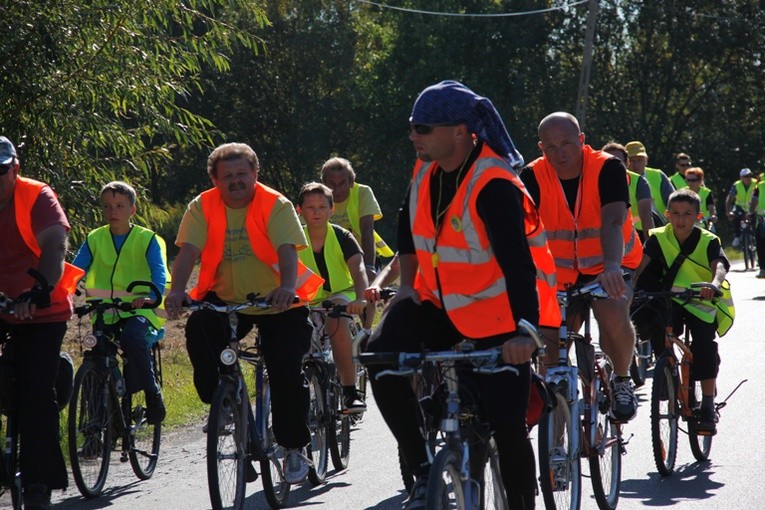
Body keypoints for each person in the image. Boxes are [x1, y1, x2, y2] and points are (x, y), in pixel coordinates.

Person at [368, 80, 554, 510]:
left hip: (501, 318)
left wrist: (525, 334)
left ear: (459, 131)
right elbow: (407, 229)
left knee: (508, 430)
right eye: (413, 127)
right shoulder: (426, 171)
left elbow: (518, 264)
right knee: (380, 356)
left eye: (423, 128)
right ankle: (420, 470)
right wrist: (409, 287)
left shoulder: (494, 184)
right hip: (440, 308)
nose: (414, 135)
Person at [164, 142, 323, 485]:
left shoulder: (275, 203)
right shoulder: (202, 206)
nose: (236, 181)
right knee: (200, 329)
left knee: (284, 371)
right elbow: (189, 251)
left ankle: (294, 447)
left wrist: (287, 286)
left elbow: (286, 250)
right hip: (227, 298)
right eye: (227, 176)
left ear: (255, 174)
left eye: (242, 174)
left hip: (278, 302)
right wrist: (177, 291)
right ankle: (224, 402)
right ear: (215, 180)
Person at [521, 113, 643, 424]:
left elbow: (613, 219)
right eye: (550, 147)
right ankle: (557, 451)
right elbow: (520, 232)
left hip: (610, 263)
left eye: (566, 144)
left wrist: (612, 265)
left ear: (582, 141)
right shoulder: (532, 176)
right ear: (541, 148)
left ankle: (622, 378)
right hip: (558, 274)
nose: (559, 153)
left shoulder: (607, 167)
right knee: (552, 352)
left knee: (614, 311)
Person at [0, 135, 84, 509]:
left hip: (40, 306)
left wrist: (39, 290)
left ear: (15, 168)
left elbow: (54, 245)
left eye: (0, 170)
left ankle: (38, 482)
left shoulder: (36, 196)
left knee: (35, 394)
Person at [635, 188, 734, 434]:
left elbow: (719, 265)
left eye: (687, 214)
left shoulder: (709, 240)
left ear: (698, 216)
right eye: (676, 214)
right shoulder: (658, 237)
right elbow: (641, 264)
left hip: (701, 300)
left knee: (703, 346)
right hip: (671, 300)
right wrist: (629, 284)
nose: (681, 219)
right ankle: (667, 376)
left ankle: (708, 405)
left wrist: (714, 283)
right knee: (659, 330)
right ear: (667, 215)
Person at [72, 181, 169, 425]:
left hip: (142, 310)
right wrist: (65, 289)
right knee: (96, 355)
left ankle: (152, 392)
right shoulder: (95, 238)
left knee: (132, 340)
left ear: (132, 210)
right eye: (107, 206)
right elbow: (76, 269)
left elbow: (159, 272)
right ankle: (97, 424)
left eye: (119, 206)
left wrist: (152, 296)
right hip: (105, 312)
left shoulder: (147, 239)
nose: (112, 211)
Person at [296, 182, 370, 413]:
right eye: (310, 207)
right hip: (307, 298)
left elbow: (359, 270)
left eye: (321, 206)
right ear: (299, 210)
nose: (316, 211)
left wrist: (360, 298)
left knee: (336, 322)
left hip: (342, 293)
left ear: (332, 209)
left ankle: (350, 393)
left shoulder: (343, 236)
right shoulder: (293, 238)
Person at [320, 157, 395, 280]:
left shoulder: (362, 192)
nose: (337, 190)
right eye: (331, 184)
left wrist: (369, 266)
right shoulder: (315, 198)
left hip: (362, 258)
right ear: (323, 183)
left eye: (342, 183)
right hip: (331, 263)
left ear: (351, 182)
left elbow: (367, 229)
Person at [603, 141, 655, 241]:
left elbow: (646, 215)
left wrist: (651, 247)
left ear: (627, 163)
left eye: (618, 161)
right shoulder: (590, 180)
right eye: (608, 161)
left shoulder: (639, 182)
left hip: (635, 236)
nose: (613, 166)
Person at [625, 141, 675, 217]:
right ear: (626, 162)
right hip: (633, 227)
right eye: (631, 160)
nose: (636, 164)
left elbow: (674, 202)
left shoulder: (658, 175)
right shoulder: (620, 177)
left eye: (639, 160)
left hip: (661, 225)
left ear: (646, 160)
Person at [725, 167, 756, 247]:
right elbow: (729, 199)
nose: (748, 178)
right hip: (740, 207)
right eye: (746, 176)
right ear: (741, 177)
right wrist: (729, 212)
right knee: (734, 216)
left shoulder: (756, 183)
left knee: (757, 222)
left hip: (754, 207)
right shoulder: (737, 185)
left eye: (750, 175)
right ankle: (737, 236)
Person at [684, 167, 718, 232]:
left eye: (693, 180)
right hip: (687, 226)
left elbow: (711, 207)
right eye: (688, 180)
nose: (690, 183)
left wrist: (713, 215)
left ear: (700, 181)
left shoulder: (706, 192)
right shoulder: (682, 192)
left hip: (703, 225)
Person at [748, 173, 765, 278]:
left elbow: (754, 202)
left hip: (762, 218)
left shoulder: (760, 186)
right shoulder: (760, 186)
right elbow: (754, 201)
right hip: (762, 218)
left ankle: (763, 268)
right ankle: (763, 268)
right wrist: (751, 212)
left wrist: (751, 212)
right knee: (760, 240)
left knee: (761, 242)